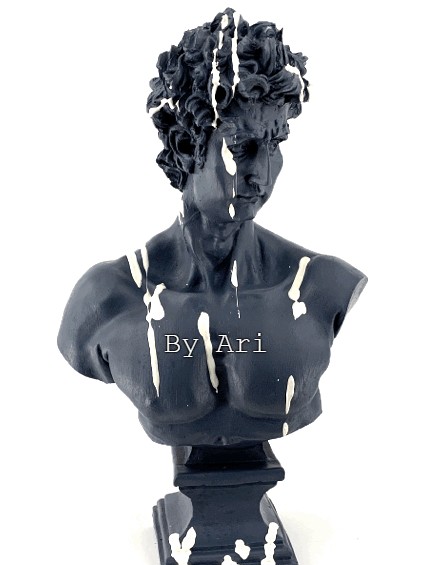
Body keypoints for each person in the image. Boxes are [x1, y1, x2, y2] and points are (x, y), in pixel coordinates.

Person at [58, 8, 367, 447]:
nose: (262, 175)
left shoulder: (321, 285)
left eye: (275, 144)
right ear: (187, 146)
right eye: (241, 147)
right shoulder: (108, 297)